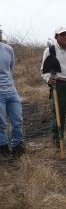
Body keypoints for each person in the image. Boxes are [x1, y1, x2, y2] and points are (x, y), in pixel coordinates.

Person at [0, 29, 24, 160]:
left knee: (18, 120)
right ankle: (3, 148)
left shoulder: (8, 49)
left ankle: (17, 146)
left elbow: (10, 68)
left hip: (11, 90)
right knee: (1, 123)